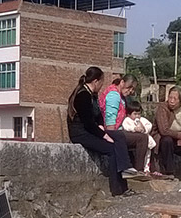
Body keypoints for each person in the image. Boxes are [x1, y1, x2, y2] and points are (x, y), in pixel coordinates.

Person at [67, 66, 140, 197]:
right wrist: (104, 135)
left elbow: (98, 116)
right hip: (81, 133)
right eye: (101, 82)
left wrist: (101, 125)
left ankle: (125, 173)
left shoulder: (92, 95)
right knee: (111, 149)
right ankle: (117, 188)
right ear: (96, 81)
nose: (101, 86)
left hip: (90, 130)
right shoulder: (82, 95)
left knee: (118, 138)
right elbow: (88, 123)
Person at [99, 75, 148, 173]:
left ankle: (142, 169)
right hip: (112, 131)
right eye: (129, 88)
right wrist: (112, 136)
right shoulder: (114, 96)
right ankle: (139, 171)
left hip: (119, 130)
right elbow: (110, 119)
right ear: (122, 83)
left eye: (132, 89)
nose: (130, 91)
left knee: (142, 136)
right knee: (142, 138)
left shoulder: (121, 96)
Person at [121, 101, 157, 174]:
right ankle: (140, 168)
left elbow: (149, 125)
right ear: (129, 114)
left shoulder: (142, 120)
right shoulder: (127, 120)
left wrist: (144, 129)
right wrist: (134, 129)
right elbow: (126, 127)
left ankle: (150, 168)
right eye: (135, 114)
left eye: (139, 114)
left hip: (146, 141)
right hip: (134, 139)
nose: (137, 116)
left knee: (149, 155)